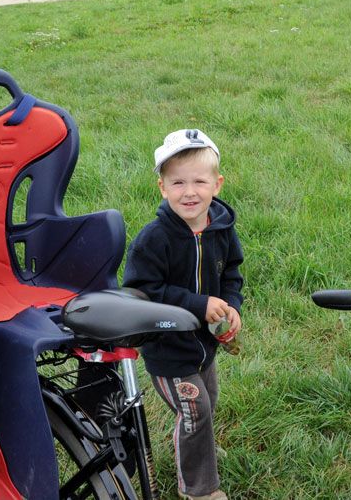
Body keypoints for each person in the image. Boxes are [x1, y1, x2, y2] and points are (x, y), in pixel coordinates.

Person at [124, 128, 244, 500]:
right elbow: (143, 291)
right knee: (194, 411)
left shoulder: (221, 229)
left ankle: (199, 449)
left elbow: (232, 274)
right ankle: (199, 489)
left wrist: (232, 307)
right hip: (168, 349)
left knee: (208, 401)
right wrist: (198, 304)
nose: (188, 192)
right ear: (162, 187)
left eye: (199, 181)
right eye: (177, 182)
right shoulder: (154, 238)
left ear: (217, 184)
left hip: (204, 346)